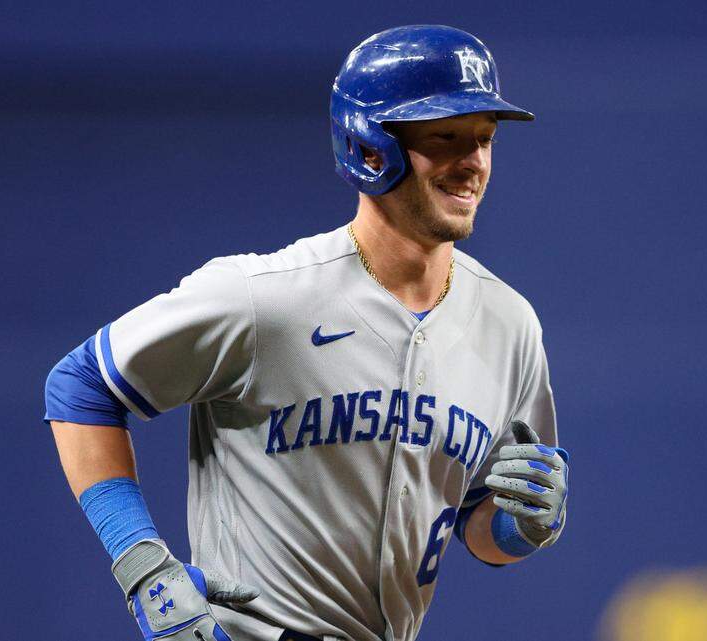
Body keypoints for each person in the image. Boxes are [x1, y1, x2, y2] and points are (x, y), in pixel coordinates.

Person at [44, 24, 569, 641]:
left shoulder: (510, 325)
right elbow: (80, 386)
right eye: (445, 136)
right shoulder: (265, 296)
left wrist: (519, 526)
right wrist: (144, 567)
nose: (473, 163)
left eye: (484, 139)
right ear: (371, 148)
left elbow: (479, 523)